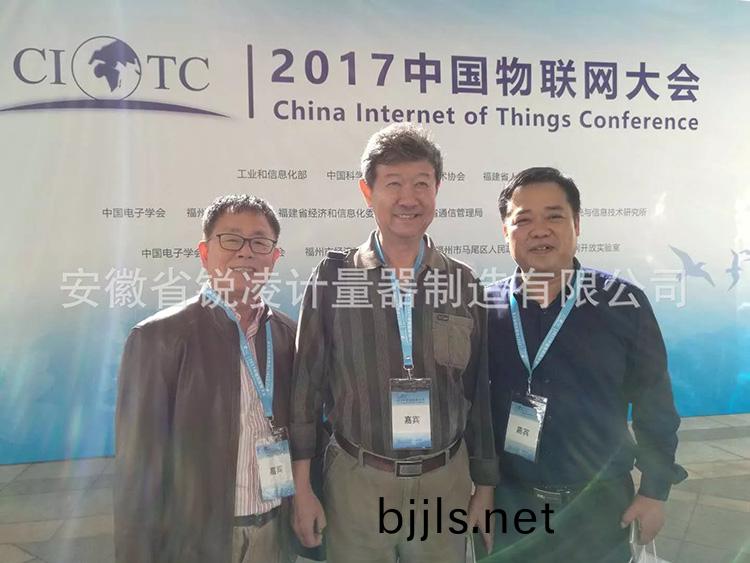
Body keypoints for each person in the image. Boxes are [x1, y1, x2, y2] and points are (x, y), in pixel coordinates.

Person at [290, 123, 498, 563]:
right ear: (367, 192)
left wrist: (484, 486)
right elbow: (305, 390)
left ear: (437, 190)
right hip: (358, 481)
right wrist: (303, 489)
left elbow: (478, 392)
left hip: (444, 481)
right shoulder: (334, 279)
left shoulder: (462, 283)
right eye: (393, 184)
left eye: (421, 184)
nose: (409, 198)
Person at [484, 167, 685, 562]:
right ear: (505, 232)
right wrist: (482, 489)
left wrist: (654, 491)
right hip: (512, 506)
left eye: (554, 216)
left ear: (577, 224)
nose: (539, 230)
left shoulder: (623, 304)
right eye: (523, 220)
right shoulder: (485, 308)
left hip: (599, 508)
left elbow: (655, 405)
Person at [114, 194, 296, 563]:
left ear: (274, 257)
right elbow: (138, 467)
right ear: (204, 252)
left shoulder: (288, 334)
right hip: (199, 539)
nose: (245, 252)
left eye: (259, 242)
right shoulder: (158, 338)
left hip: (275, 532)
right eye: (231, 239)